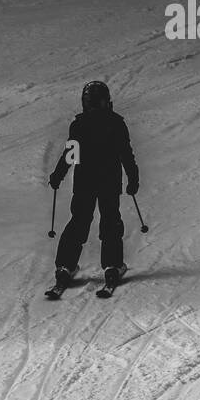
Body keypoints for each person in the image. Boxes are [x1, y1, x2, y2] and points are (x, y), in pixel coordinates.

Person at [48, 81, 140, 296]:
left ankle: (65, 266)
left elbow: (71, 154)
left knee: (79, 222)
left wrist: (58, 175)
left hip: (85, 182)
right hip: (109, 182)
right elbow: (125, 153)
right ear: (106, 101)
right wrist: (133, 179)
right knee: (110, 221)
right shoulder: (116, 123)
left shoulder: (79, 124)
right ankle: (112, 266)